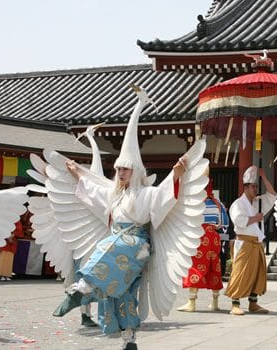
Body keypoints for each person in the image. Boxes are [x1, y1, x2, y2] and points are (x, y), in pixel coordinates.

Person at [46, 85, 209, 350]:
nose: (121, 172)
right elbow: (92, 191)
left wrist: (177, 174)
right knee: (122, 293)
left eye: (126, 168)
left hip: (136, 245)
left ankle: (83, 288)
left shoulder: (147, 193)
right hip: (118, 243)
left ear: (135, 170)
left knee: (108, 247)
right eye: (119, 168)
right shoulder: (113, 195)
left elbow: (165, 195)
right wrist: (77, 173)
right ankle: (129, 338)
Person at [224, 165, 277, 316]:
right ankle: (235, 303)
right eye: (253, 186)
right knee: (240, 272)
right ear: (246, 187)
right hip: (244, 242)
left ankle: (253, 303)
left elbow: (272, 195)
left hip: (256, 243)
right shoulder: (238, 203)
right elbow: (238, 220)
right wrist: (255, 218)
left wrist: (264, 177)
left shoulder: (258, 202)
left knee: (257, 273)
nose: (256, 189)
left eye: (256, 186)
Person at [177, 177, 229, 312]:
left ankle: (191, 302)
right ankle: (215, 302)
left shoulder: (195, 202)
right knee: (214, 267)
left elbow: (187, 220)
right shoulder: (218, 204)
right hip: (214, 237)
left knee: (195, 266)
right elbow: (224, 223)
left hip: (200, 236)